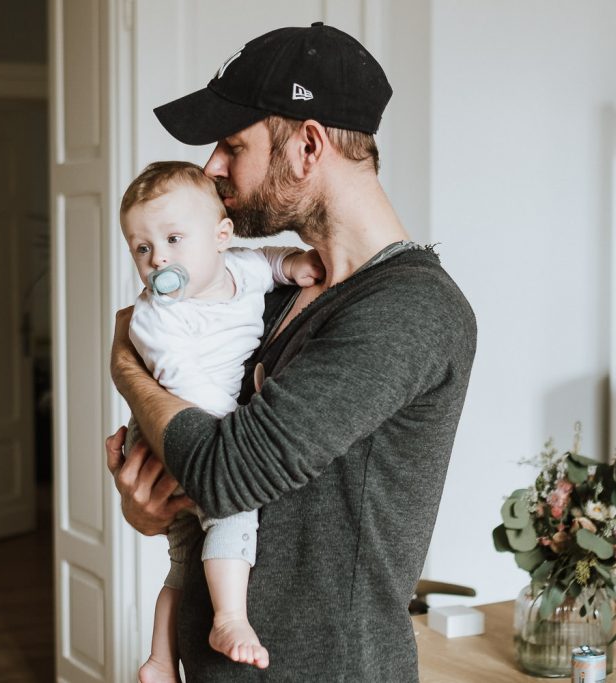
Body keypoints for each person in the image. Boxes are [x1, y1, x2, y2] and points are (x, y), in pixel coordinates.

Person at [107, 22, 477, 682]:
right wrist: (152, 504)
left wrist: (127, 368)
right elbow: (197, 458)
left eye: (232, 145)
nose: (212, 167)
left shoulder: (411, 309)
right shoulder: (270, 292)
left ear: (308, 146)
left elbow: (225, 470)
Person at [117, 160, 323, 681]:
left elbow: (268, 263)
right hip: (175, 425)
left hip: (201, 419)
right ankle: (229, 617)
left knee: (184, 561)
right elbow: (181, 380)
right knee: (233, 510)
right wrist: (235, 428)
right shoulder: (155, 316)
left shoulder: (239, 270)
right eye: (142, 248)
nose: (158, 258)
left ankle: (159, 661)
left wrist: (293, 263)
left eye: (173, 239)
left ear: (221, 237)